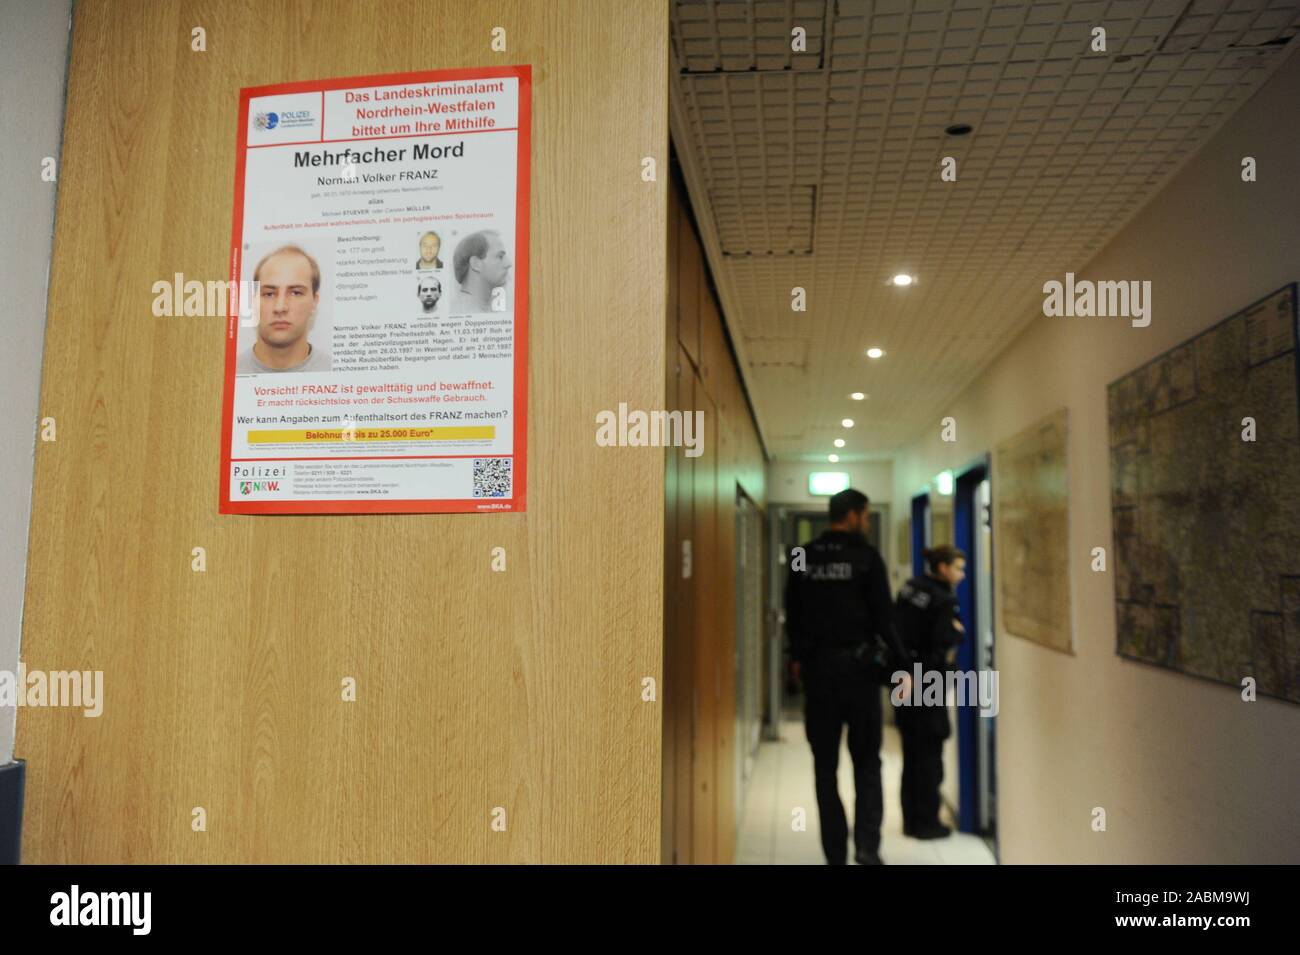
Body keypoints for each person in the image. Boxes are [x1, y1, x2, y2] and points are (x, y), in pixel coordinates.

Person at [784, 488, 911, 865]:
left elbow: (793, 614)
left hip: (819, 677)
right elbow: (886, 619)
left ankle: (835, 853)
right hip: (860, 677)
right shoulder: (868, 558)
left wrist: (798, 660)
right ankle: (867, 848)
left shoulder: (801, 556)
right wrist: (903, 666)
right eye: (866, 516)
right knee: (867, 764)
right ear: (852, 515)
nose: (867, 523)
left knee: (825, 768)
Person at [895, 545, 967, 840]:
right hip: (929, 684)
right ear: (942, 568)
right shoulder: (943, 599)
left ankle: (911, 819)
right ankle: (927, 823)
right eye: (958, 568)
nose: (962, 575)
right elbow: (941, 646)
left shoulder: (911, 587)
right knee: (930, 755)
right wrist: (958, 633)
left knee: (912, 753)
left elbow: (895, 626)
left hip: (904, 679)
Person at [236, 245, 331, 374]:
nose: (280, 307)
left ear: (314, 302)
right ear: (253, 302)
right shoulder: (226, 374)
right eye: (269, 294)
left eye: (296, 293)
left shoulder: (336, 372)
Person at [452, 230, 511, 312]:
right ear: (476, 264)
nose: (509, 264)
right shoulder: (461, 312)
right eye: (500, 256)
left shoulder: (478, 311)